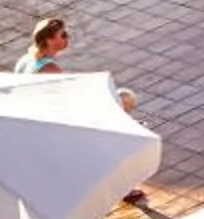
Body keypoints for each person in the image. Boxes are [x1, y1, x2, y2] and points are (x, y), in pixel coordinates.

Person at [17, 15, 145, 201]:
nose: (67, 38)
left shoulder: (25, 60)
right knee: (107, 146)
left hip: (37, 122)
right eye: (63, 35)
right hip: (55, 125)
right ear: (49, 40)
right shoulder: (49, 69)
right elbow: (70, 97)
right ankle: (121, 189)